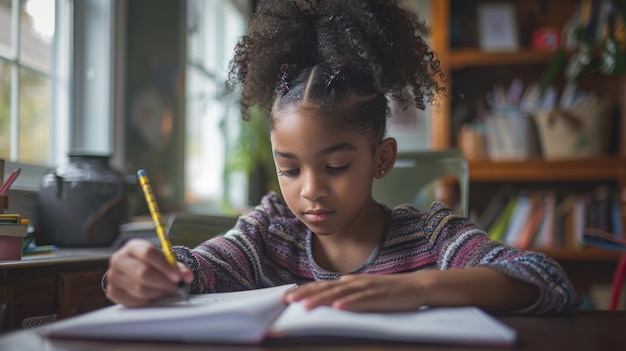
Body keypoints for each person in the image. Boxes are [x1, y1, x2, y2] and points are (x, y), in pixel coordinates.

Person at [104, 0, 580, 315]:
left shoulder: (429, 237)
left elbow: (546, 279)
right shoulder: (269, 236)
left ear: (381, 158)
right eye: (288, 168)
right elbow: (193, 270)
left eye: (335, 166)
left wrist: (415, 289)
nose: (310, 188)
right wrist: (137, 274)